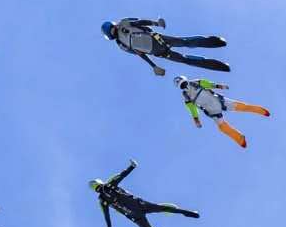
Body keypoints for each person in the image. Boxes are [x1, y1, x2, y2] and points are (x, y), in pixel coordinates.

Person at [91, 160, 198, 227]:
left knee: (161, 209)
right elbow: (106, 214)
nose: (100, 189)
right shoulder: (102, 198)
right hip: (135, 215)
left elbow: (121, 175)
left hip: (138, 206)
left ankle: (188, 213)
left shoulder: (109, 186)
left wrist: (131, 167)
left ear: (101, 184)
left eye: (99, 187)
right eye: (98, 189)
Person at [101, 16, 229, 76]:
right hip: (158, 52)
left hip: (157, 39)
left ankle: (216, 41)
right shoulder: (121, 45)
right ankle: (218, 66)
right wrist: (154, 66)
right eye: (111, 33)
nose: (114, 33)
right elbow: (139, 53)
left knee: (185, 41)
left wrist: (155, 23)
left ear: (113, 26)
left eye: (112, 30)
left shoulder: (123, 24)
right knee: (185, 59)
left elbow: (139, 22)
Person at [177, 77, 269, 147]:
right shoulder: (186, 97)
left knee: (242, 107)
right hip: (212, 111)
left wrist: (220, 86)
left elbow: (208, 84)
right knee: (222, 127)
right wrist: (196, 119)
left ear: (186, 80)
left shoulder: (195, 83)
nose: (184, 86)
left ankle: (261, 111)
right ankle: (239, 139)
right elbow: (193, 110)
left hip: (218, 101)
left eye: (184, 83)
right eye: (182, 86)